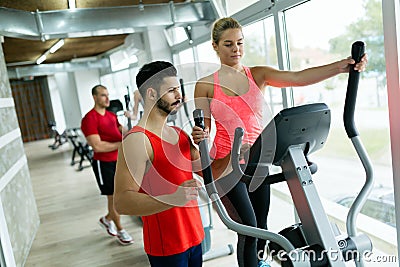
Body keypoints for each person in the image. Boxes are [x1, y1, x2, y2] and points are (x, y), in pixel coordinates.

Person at [191, 17, 368, 267]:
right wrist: (199, 135)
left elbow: (297, 77)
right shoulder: (206, 85)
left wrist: (341, 66)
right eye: (228, 44)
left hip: (257, 162)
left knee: (261, 227)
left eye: (240, 43)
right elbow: (204, 129)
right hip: (227, 166)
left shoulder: (258, 75)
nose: (236, 50)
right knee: (249, 229)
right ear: (215, 46)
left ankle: (259, 263)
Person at [114, 61, 205, 267]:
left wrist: (210, 146)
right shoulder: (137, 140)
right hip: (168, 247)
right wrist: (173, 198)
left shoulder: (179, 134)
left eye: (178, 89)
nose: (179, 96)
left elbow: (207, 171)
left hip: (195, 236)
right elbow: (122, 202)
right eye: (171, 91)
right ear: (152, 94)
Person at [81, 84, 134, 246]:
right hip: (104, 164)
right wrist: (121, 145)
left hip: (120, 161)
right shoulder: (90, 119)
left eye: (108, 95)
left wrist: (131, 120)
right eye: (103, 95)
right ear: (95, 97)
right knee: (114, 198)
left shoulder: (111, 116)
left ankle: (107, 219)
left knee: (124, 194)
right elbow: (97, 146)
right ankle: (120, 229)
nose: (107, 98)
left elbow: (124, 132)